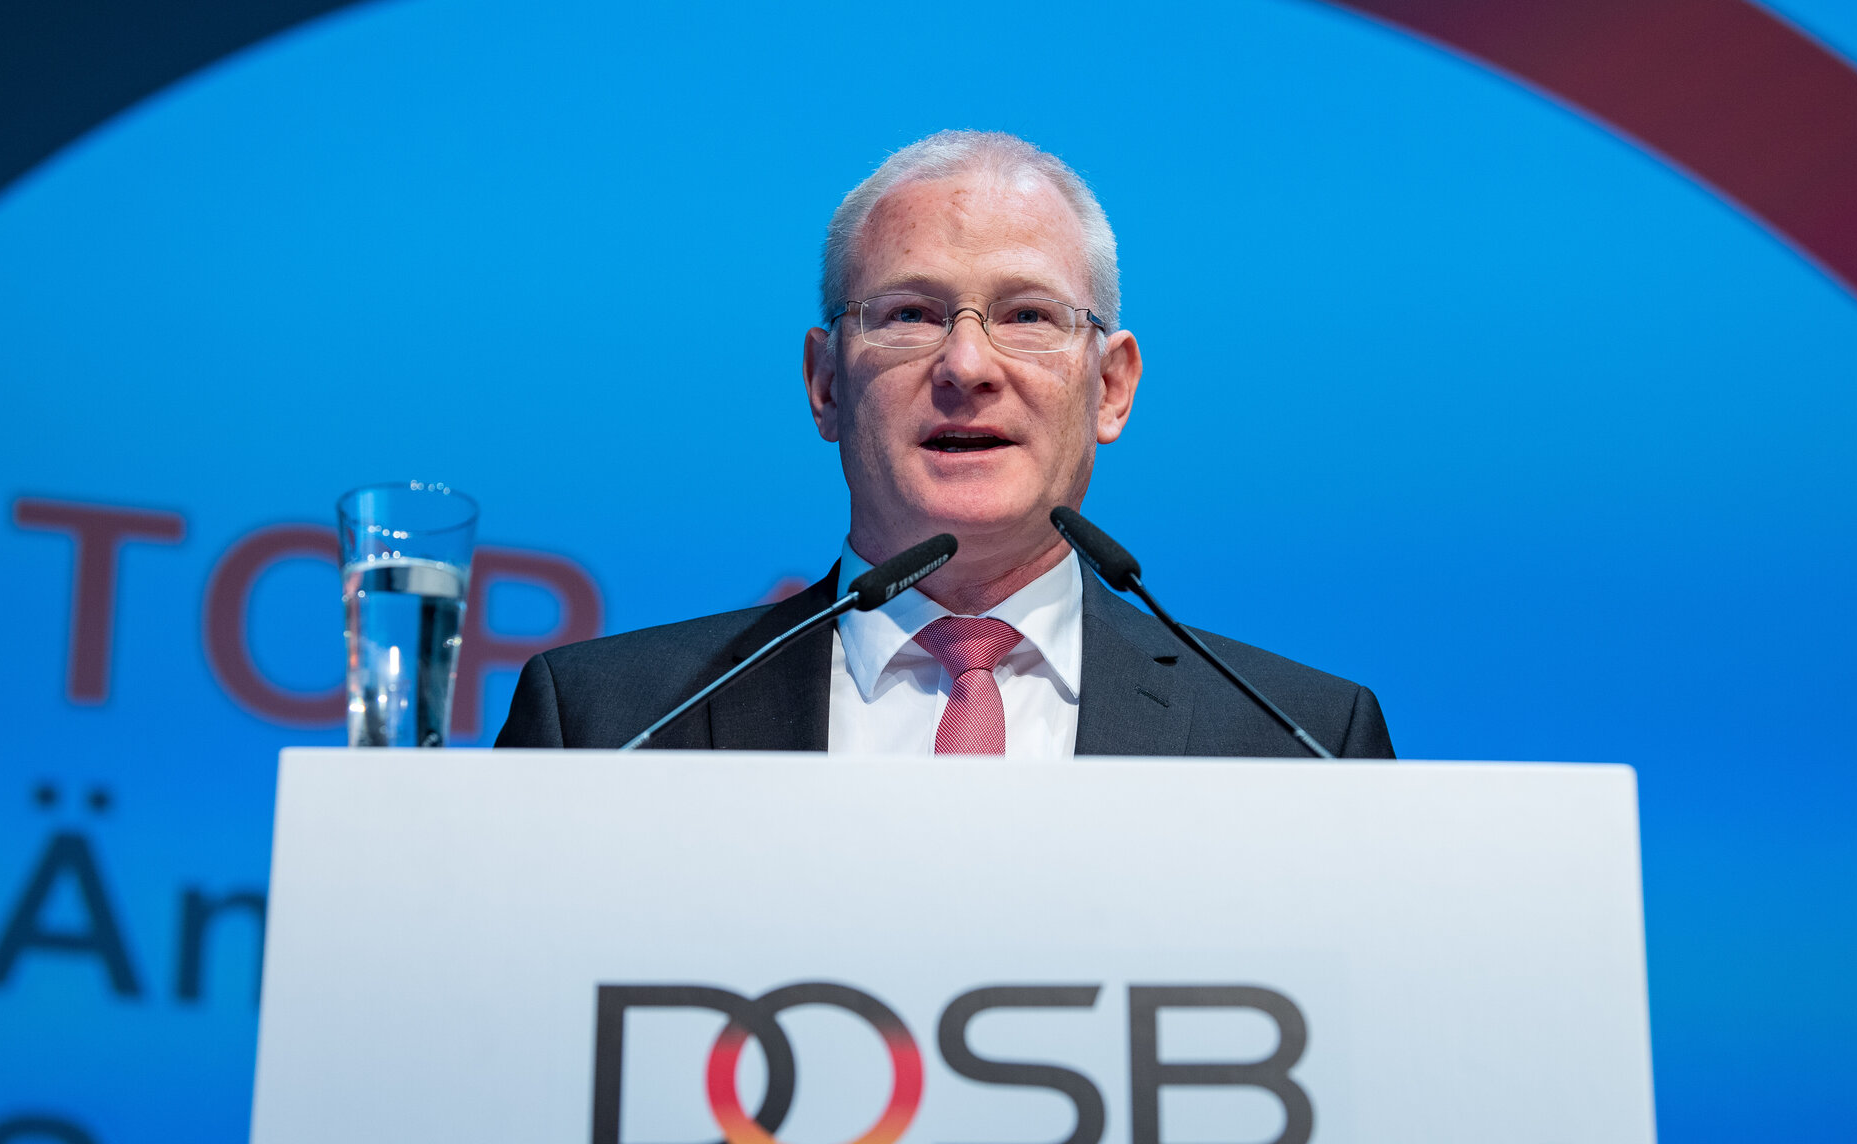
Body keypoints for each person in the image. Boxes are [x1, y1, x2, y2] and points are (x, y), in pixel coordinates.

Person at [496, 130, 1393, 758]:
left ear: (1112, 386)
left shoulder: (1300, 740)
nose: (966, 364)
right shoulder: (608, 724)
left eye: (1028, 315)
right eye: (911, 314)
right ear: (826, 383)